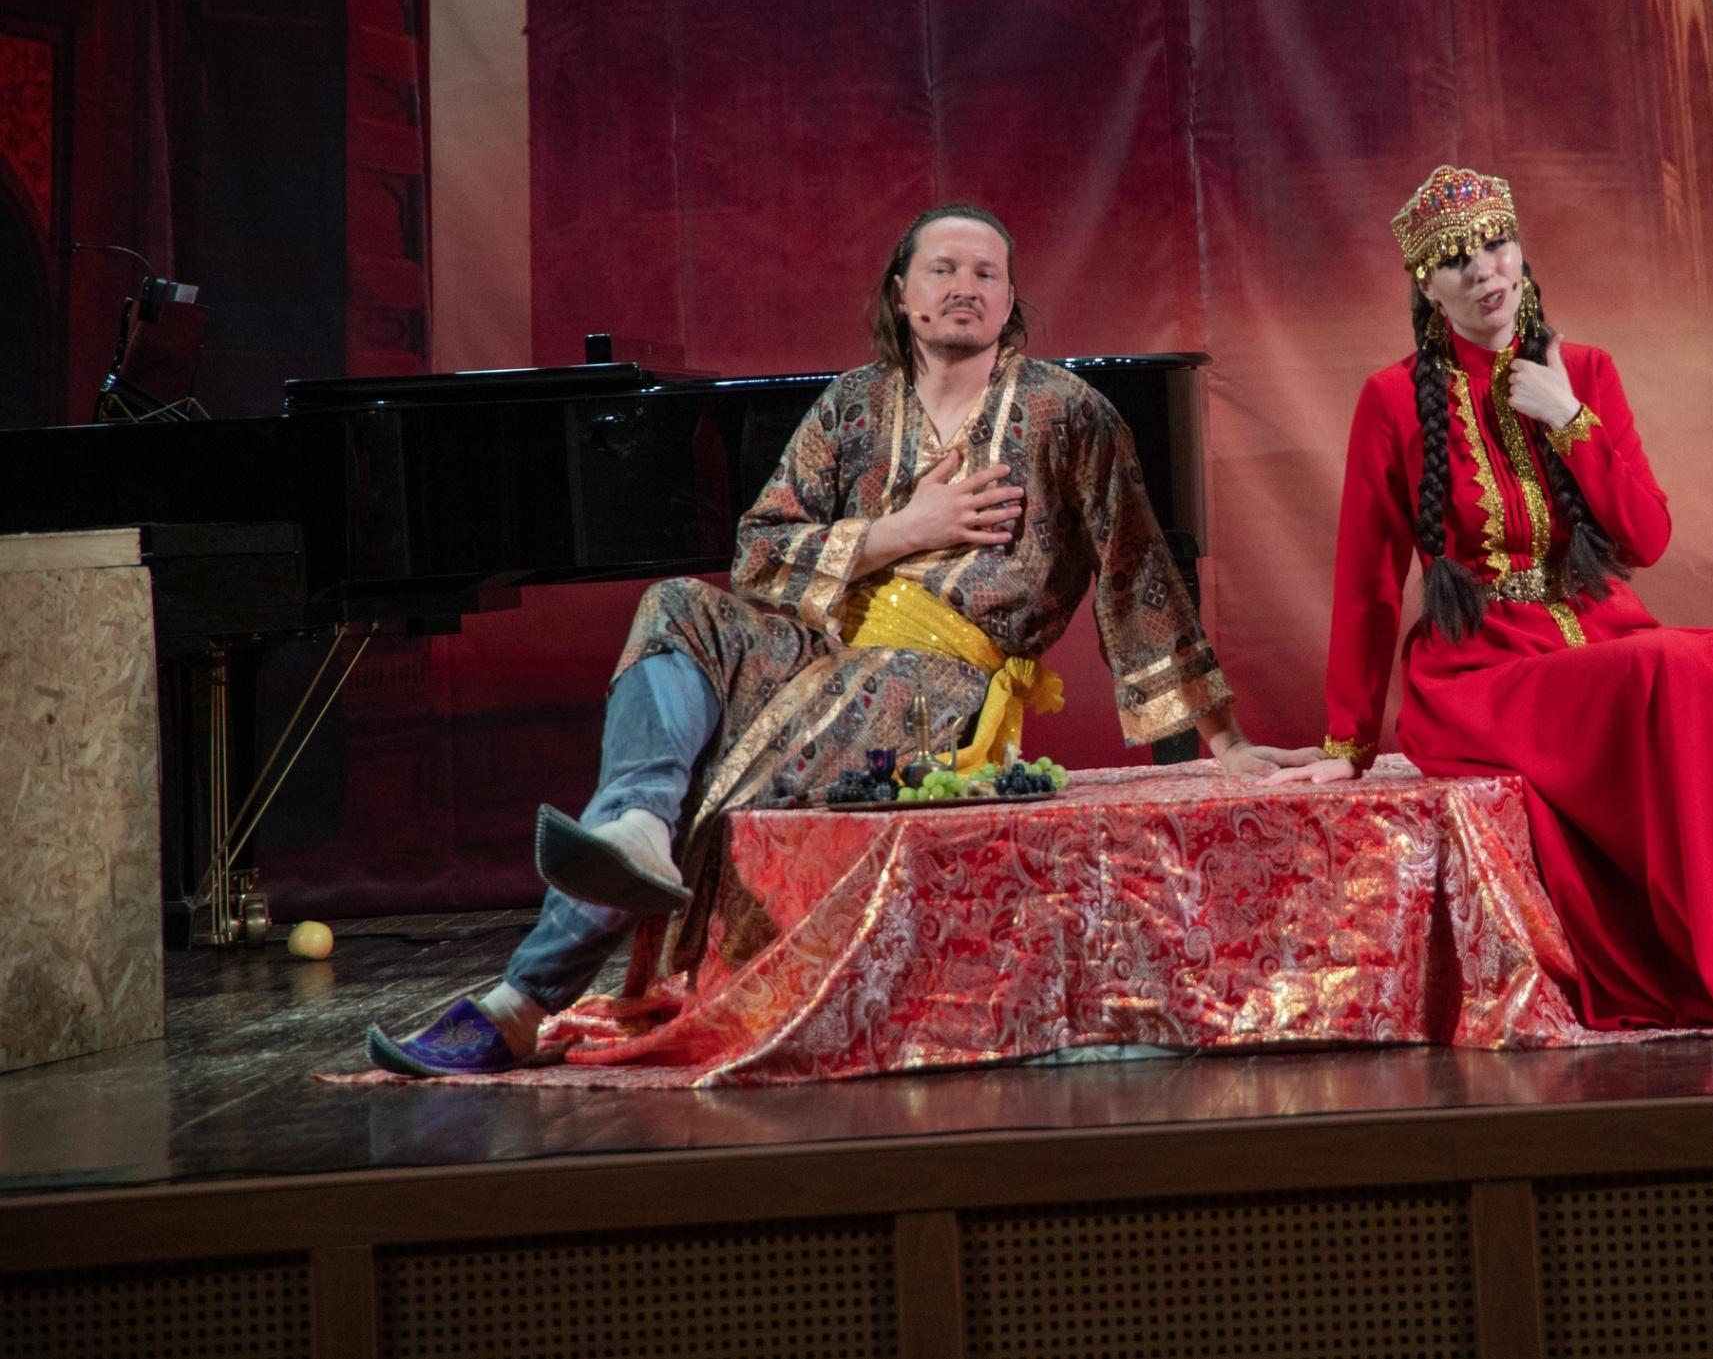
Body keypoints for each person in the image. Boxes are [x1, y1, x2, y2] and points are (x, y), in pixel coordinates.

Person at [371, 204, 1315, 1075]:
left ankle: (520, 1001)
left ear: (1011, 301)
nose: (965, 286)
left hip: (936, 682)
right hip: (825, 647)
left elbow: (1138, 570)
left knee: (740, 766)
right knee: (676, 604)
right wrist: (902, 530)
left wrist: (1223, 740)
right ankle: (637, 826)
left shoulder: (1067, 413)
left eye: (987, 273)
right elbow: (756, 556)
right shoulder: (852, 406)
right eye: (943, 268)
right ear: (901, 294)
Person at [1268, 166, 1713, 1031]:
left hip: (1593, 631)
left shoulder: (1584, 371)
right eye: (1456, 259)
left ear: (1521, 250)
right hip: (1480, 672)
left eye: (1496, 245)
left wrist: (1568, 418)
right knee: (1675, 670)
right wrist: (1349, 741)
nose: (1484, 270)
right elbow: (1366, 580)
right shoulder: (1392, 399)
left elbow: (1647, 539)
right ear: (1427, 287)